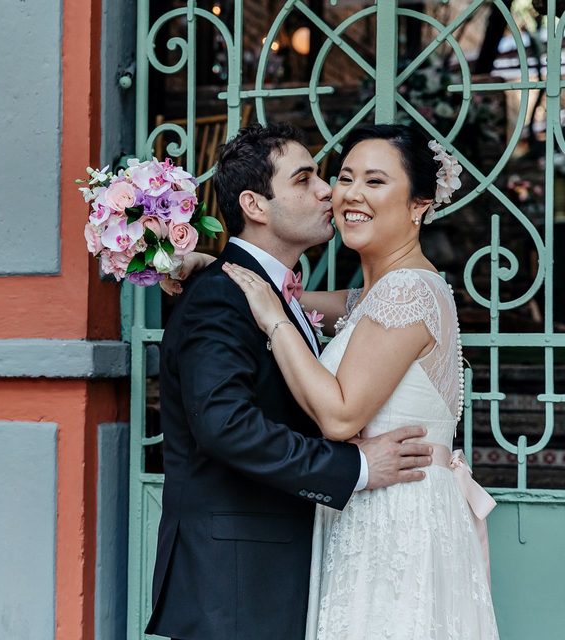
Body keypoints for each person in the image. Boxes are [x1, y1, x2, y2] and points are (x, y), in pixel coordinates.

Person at [145, 123, 434, 640]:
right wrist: (356, 466)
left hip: (273, 571)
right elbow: (225, 425)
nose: (328, 191)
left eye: (323, 177)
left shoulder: (272, 294)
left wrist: (212, 261)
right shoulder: (220, 297)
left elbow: (362, 307)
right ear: (255, 205)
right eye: (305, 180)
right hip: (235, 582)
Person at [220, 124, 499, 638]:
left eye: (375, 181)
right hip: (380, 506)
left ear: (418, 205)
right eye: (346, 178)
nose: (350, 194)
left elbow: (340, 415)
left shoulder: (407, 292)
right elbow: (308, 300)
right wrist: (214, 270)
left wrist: (273, 319)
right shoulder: (378, 295)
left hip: (396, 516)